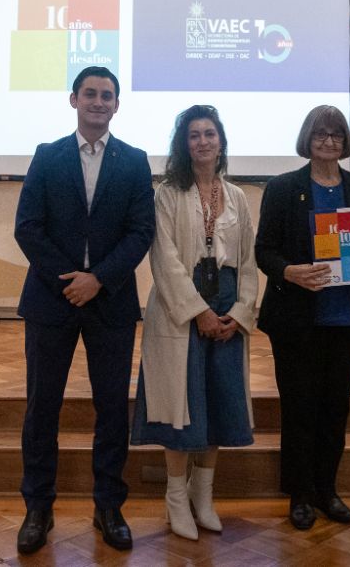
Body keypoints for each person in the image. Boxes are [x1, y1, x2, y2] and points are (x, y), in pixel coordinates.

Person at [13, 66, 155, 554]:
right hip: (51, 300)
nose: (98, 101)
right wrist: (71, 281)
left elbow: (141, 232)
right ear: (73, 99)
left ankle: (108, 506)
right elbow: (27, 227)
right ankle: (38, 508)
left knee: (112, 409)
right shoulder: (47, 156)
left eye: (107, 95)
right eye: (90, 93)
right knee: (42, 409)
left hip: (110, 301)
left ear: (116, 105)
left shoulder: (134, 162)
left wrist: (99, 280)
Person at [131, 105, 258, 540]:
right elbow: (164, 259)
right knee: (181, 406)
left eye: (210, 134)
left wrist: (239, 312)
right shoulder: (167, 194)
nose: (203, 141)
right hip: (181, 309)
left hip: (227, 307)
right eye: (194, 135)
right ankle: (175, 499)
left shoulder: (237, 196)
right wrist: (198, 311)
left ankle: (203, 496)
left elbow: (247, 261)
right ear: (184, 145)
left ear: (220, 142)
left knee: (218, 401)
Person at [255, 105, 350, 531]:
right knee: (299, 410)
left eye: (336, 135)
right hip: (297, 320)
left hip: (346, 319)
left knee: (335, 410)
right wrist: (289, 272)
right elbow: (264, 250)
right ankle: (300, 494)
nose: (329, 141)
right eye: (321, 134)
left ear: (346, 142)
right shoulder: (283, 187)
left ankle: (327, 489)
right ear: (307, 139)